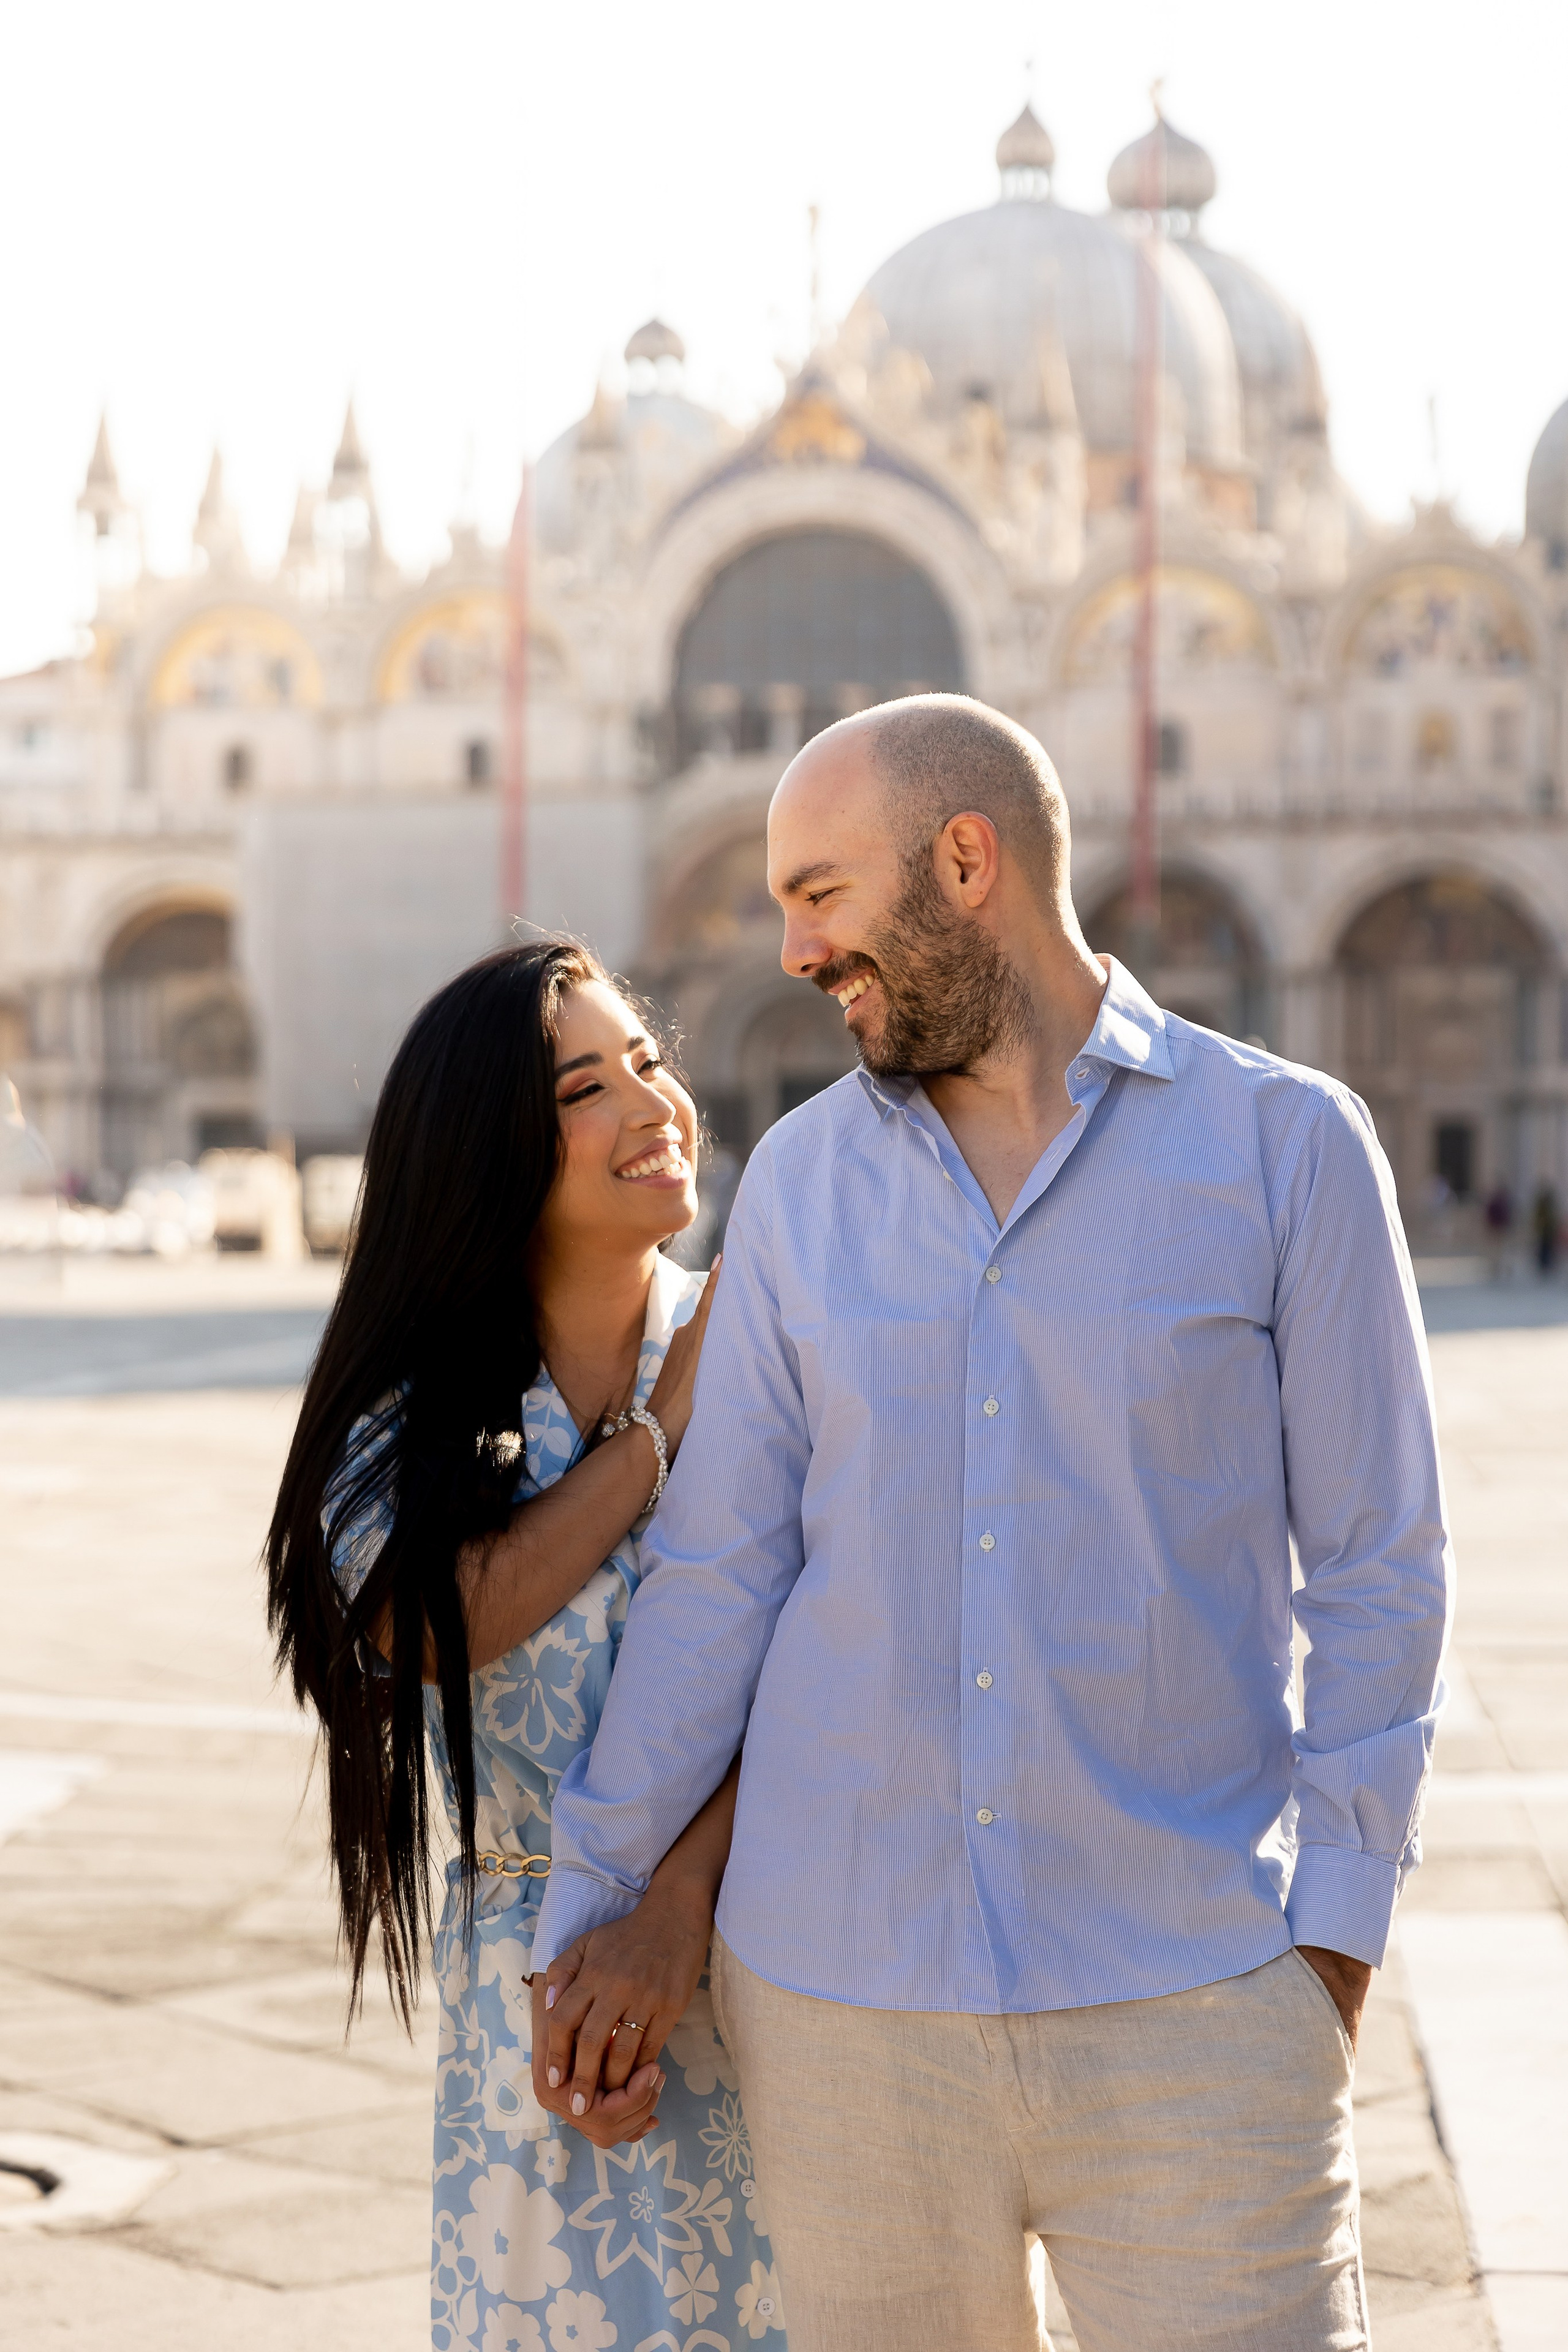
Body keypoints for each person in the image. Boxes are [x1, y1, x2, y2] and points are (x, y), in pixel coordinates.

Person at [530, 698, 1453, 2352]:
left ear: (967, 863)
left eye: (820, 893)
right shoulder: (800, 1184)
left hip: (1197, 2004)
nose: (794, 951)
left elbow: (1382, 1572)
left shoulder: (1288, 1148)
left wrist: (1330, 1945)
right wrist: (593, 1908)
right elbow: (721, 1573)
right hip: (839, 2019)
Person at [266, 940, 785, 2352]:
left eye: (649, 1061)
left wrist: (672, 1909)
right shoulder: (413, 1408)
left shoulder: (771, 1339)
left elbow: (848, 1661)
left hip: (783, 1955)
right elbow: (433, 1621)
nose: (651, 1102)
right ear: (483, 1150)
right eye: (583, 1088)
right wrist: (654, 1439)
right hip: (537, 2004)